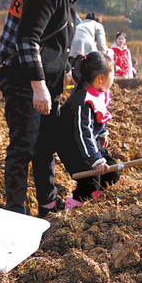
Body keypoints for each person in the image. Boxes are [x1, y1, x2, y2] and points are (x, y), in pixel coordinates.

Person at [0, 0, 104, 217]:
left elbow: (55, 44)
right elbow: (27, 40)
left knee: (45, 147)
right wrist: (38, 87)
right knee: (23, 147)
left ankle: (48, 207)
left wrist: (67, 69)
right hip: (22, 80)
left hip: (46, 85)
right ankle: (16, 212)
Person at [58, 52, 119, 213]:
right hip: (73, 147)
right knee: (90, 181)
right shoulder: (80, 102)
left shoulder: (95, 91)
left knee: (112, 172)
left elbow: (96, 120)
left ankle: (95, 202)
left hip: (89, 143)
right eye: (112, 76)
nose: (114, 80)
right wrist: (96, 160)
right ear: (100, 78)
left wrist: (102, 133)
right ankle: (73, 209)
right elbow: (82, 133)